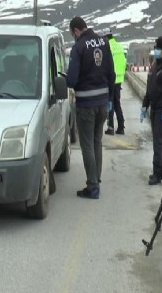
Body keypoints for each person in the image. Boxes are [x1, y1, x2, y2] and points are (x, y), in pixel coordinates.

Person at [66, 16, 115, 199]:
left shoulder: (78, 47)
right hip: (103, 103)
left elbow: (71, 80)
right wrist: (109, 98)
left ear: (76, 31)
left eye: (73, 34)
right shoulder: (103, 41)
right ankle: (97, 179)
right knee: (97, 142)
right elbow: (112, 72)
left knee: (87, 145)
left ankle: (92, 186)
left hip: (86, 104)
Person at [141, 36, 162, 185]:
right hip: (153, 107)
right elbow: (150, 89)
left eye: (158, 49)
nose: (156, 51)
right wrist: (144, 105)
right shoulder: (155, 66)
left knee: (158, 141)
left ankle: (157, 172)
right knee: (158, 140)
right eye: (155, 48)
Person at [105, 29, 127, 135]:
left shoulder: (107, 47)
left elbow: (106, 64)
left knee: (110, 103)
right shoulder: (119, 46)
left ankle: (110, 127)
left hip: (110, 79)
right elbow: (124, 62)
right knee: (117, 103)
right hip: (119, 80)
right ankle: (121, 127)